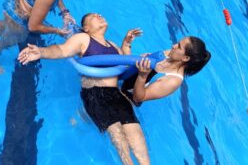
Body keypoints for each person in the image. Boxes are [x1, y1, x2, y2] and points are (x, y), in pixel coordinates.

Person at [18, 13, 150, 165]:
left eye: (99, 14)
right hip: (96, 94)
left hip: (117, 95)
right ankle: (82, 116)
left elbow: (125, 67)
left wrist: (126, 44)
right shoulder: (84, 39)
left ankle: (80, 117)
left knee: (140, 145)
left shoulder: (113, 46)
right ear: (86, 28)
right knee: (122, 145)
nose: (99, 15)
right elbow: (62, 50)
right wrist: (41, 52)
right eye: (94, 16)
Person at [121, 36, 211, 105]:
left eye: (179, 46)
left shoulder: (173, 80)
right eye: (178, 43)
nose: (173, 46)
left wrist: (142, 76)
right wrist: (127, 44)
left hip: (125, 97)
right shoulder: (170, 54)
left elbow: (138, 98)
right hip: (124, 78)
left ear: (186, 58)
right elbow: (132, 66)